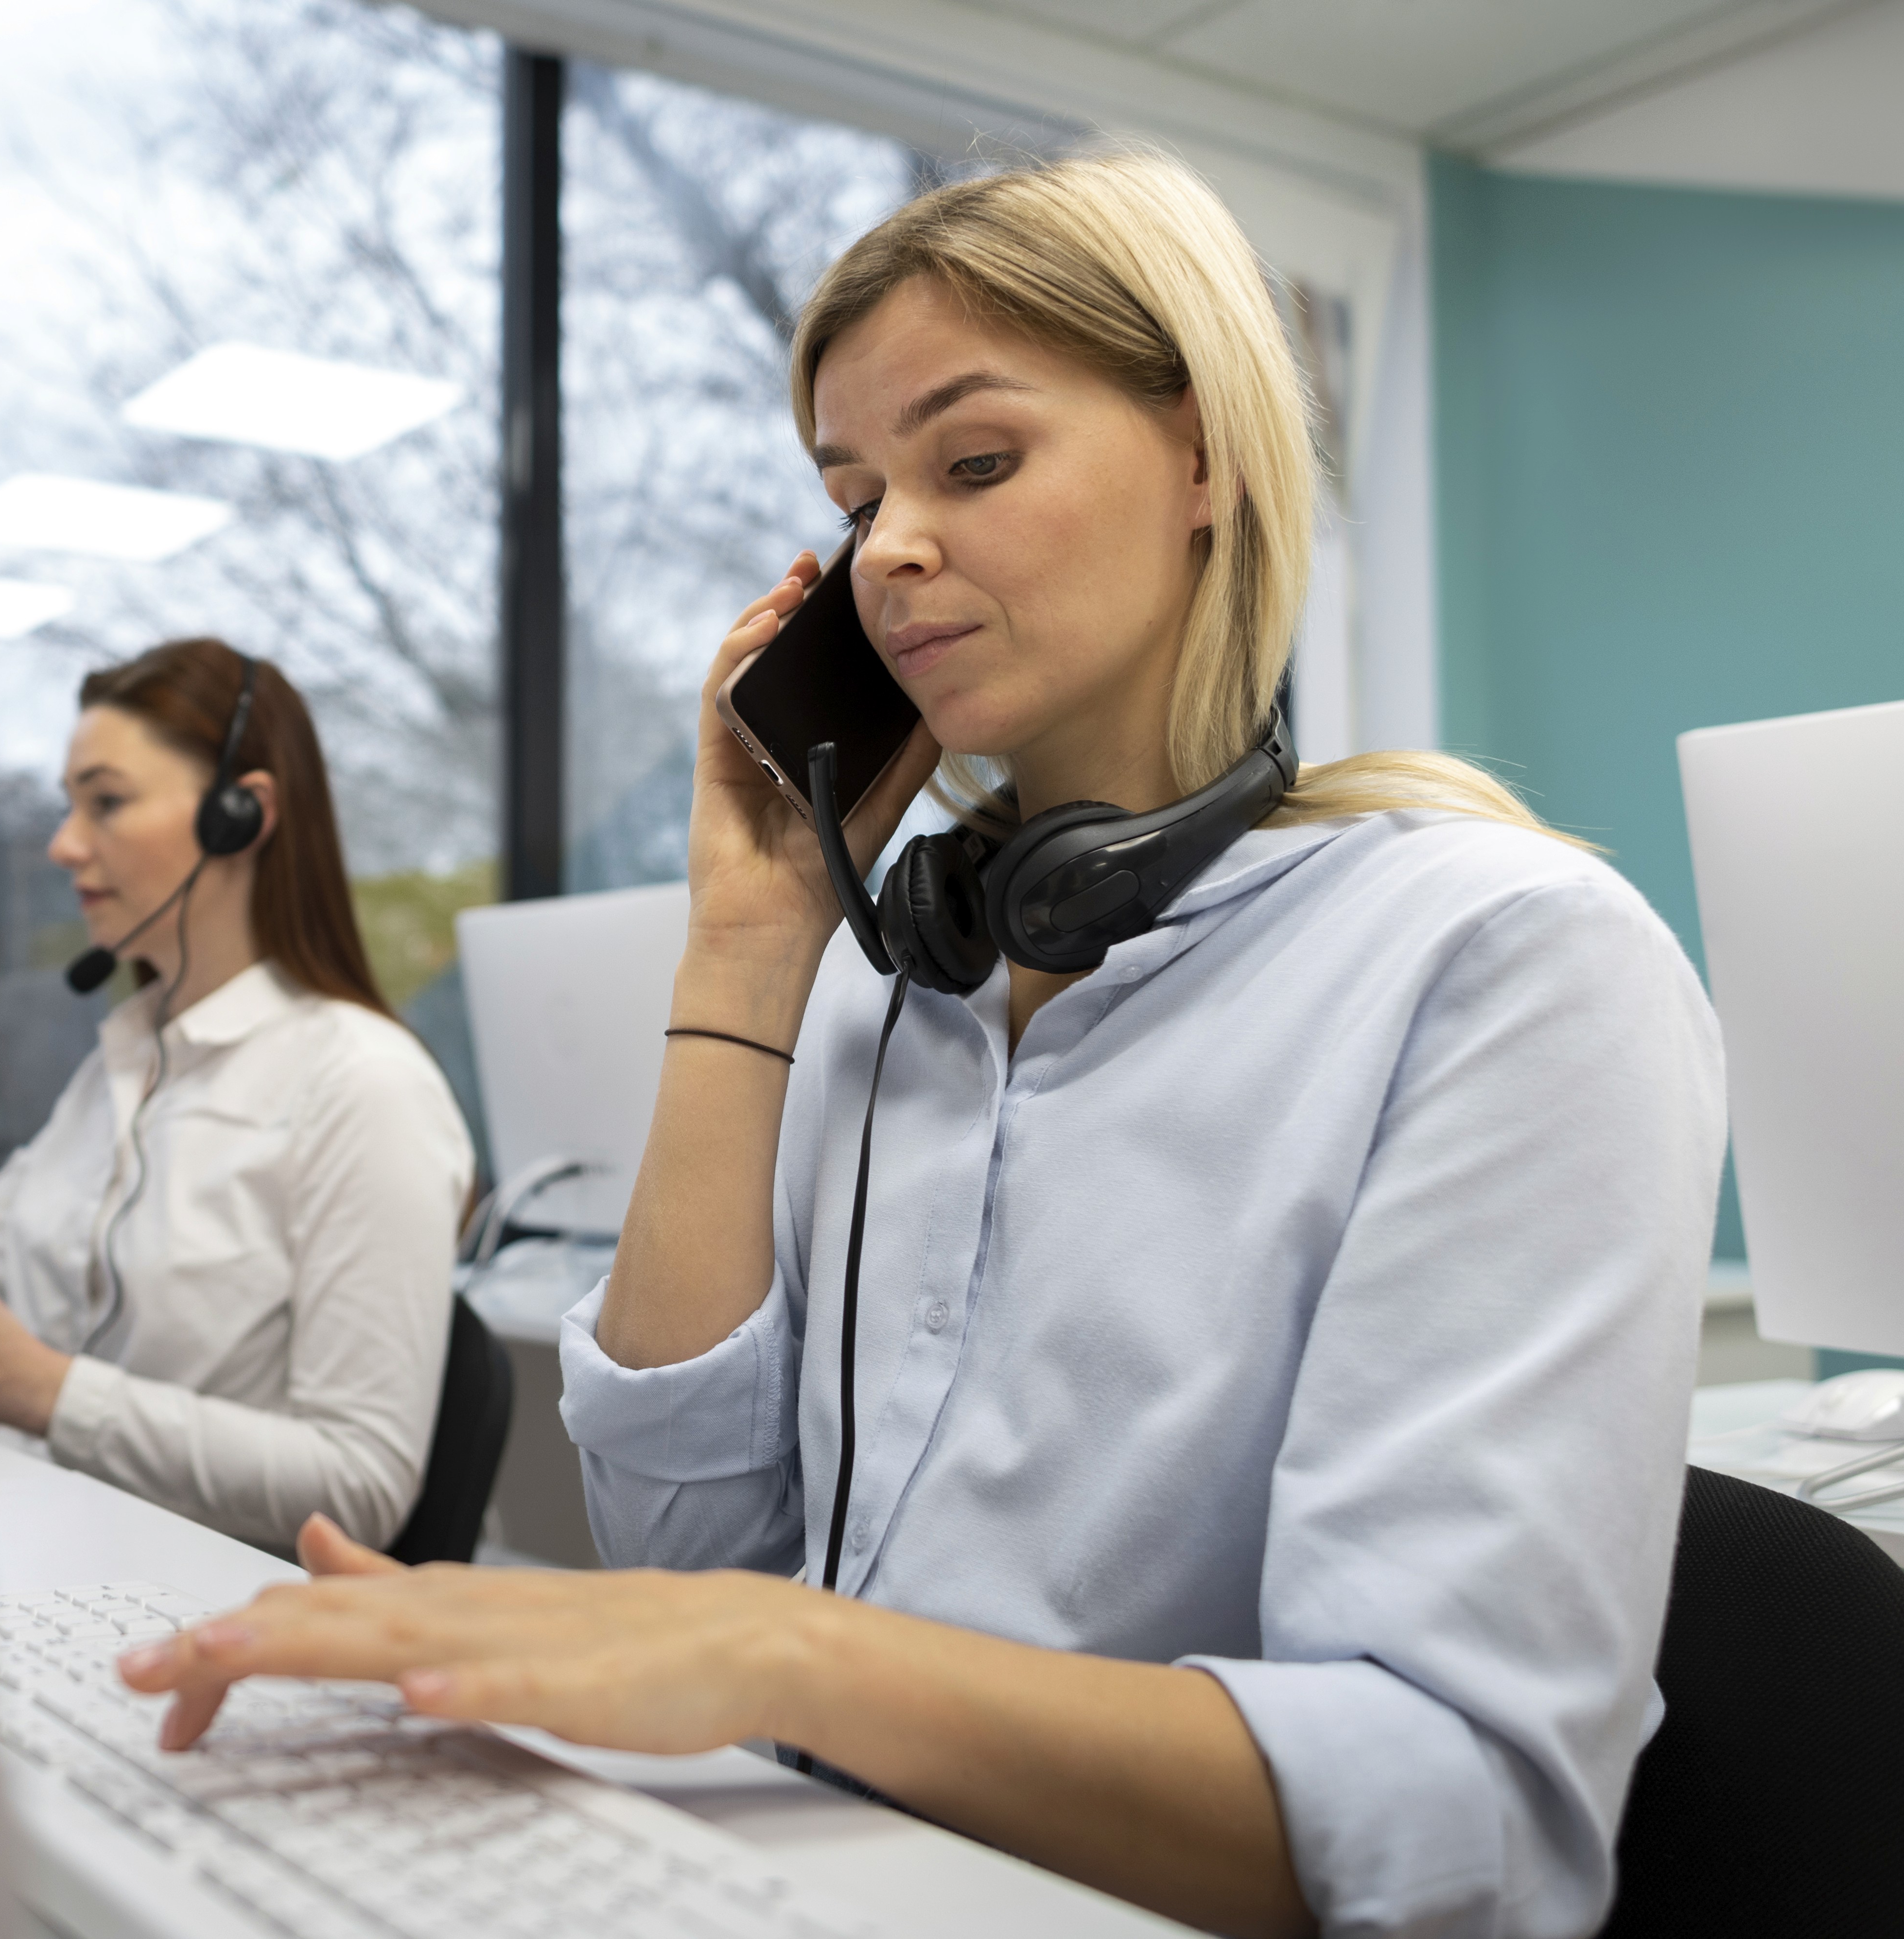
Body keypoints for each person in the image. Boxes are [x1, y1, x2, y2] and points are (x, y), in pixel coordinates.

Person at [115, 152, 1726, 1939]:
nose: (884, 550)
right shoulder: (900, 982)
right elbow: (684, 1559)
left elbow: (1466, 1821)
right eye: (852, 495)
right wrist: (749, 944)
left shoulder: (1499, 961)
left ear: (1204, 459)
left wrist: (786, 1655)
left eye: (973, 462)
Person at [0, 638, 474, 1556]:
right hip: (54, 1558)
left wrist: (46, 1392)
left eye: (107, 802)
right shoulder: (118, 1071)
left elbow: (361, 1484)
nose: (64, 844)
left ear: (241, 815)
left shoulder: (363, 1084)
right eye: (70, 804)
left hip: (201, 1604)